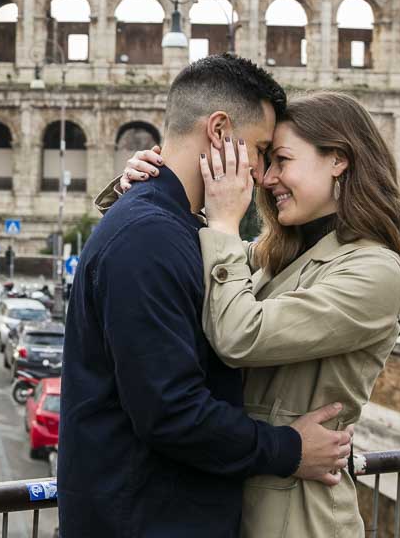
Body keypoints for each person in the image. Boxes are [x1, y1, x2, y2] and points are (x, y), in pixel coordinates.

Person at [104, 90, 400, 537]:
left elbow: (238, 335)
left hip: (298, 514)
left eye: (282, 160)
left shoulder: (375, 271)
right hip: (236, 491)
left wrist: (225, 221)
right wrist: (150, 190)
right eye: (266, 160)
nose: (266, 177)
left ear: (338, 160)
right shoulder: (276, 254)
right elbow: (178, 263)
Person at [59, 56, 351, 538]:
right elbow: (171, 412)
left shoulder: (170, 227)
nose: (260, 172)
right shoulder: (149, 237)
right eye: (260, 149)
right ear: (218, 130)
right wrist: (289, 449)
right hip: (147, 520)